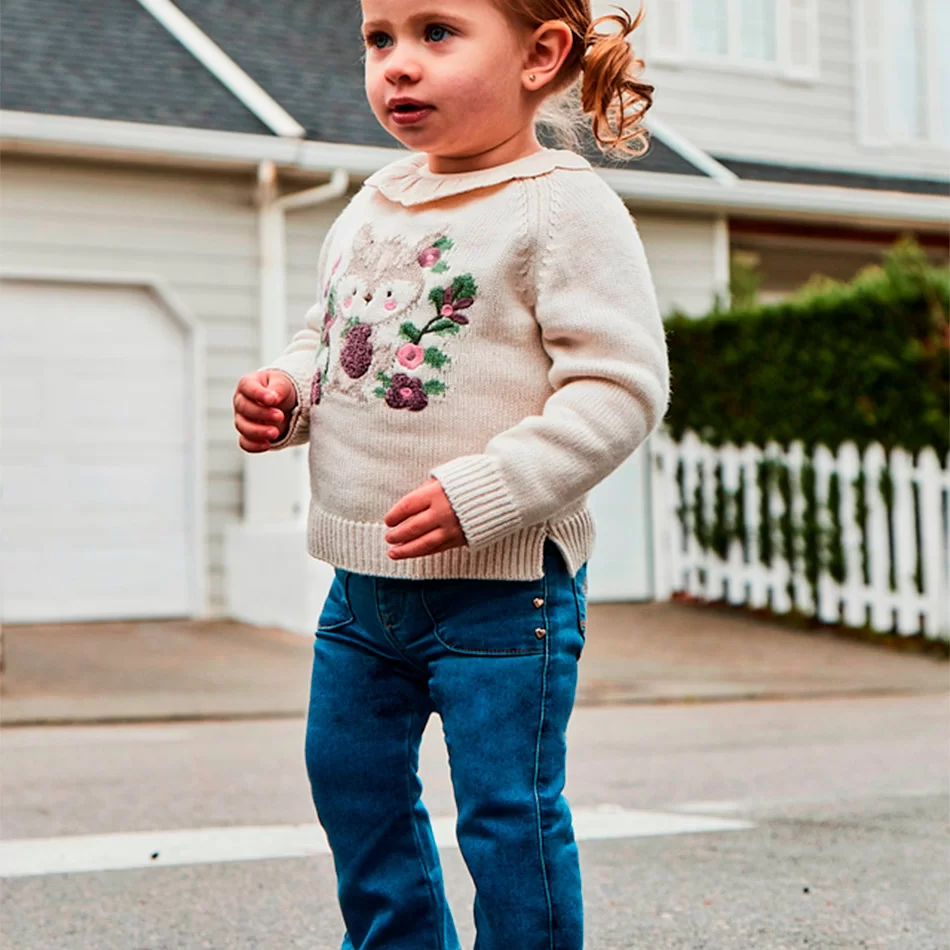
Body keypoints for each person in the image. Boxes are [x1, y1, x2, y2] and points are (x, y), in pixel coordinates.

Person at [232, 1, 668, 946]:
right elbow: (335, 335)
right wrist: (288, 391)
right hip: (361, 593)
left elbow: (620, 388)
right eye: (378, 39)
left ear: (540, 54)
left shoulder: (563, 206)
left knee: (506, 817)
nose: (398, 64)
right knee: (353, 789)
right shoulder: (373, 199)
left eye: (437, 34)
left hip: (504, 598)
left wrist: (486, 494)